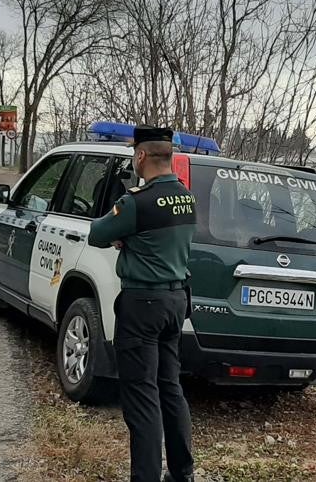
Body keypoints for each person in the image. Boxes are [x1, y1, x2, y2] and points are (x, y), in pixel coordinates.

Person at [88, 125, 196, 482]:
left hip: (142, 304)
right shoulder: (186, 197)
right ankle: (182, 473)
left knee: (141, 397)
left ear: (140, 156)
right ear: (171, 157)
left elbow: (98, 234)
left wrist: (125, 236)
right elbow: (163, 239)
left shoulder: (137, 201)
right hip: (176, 301)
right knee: (170, 388)